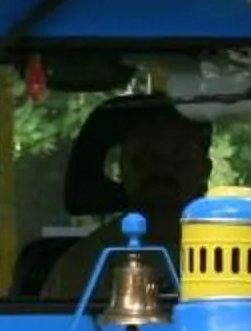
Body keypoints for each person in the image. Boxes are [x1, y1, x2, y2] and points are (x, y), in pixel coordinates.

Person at [44, 98, 212, 301]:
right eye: (144, 156)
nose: (161, 168)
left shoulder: (231, 254)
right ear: (121, 168)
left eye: (179, 157)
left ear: (205, 169)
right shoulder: (82, 265)